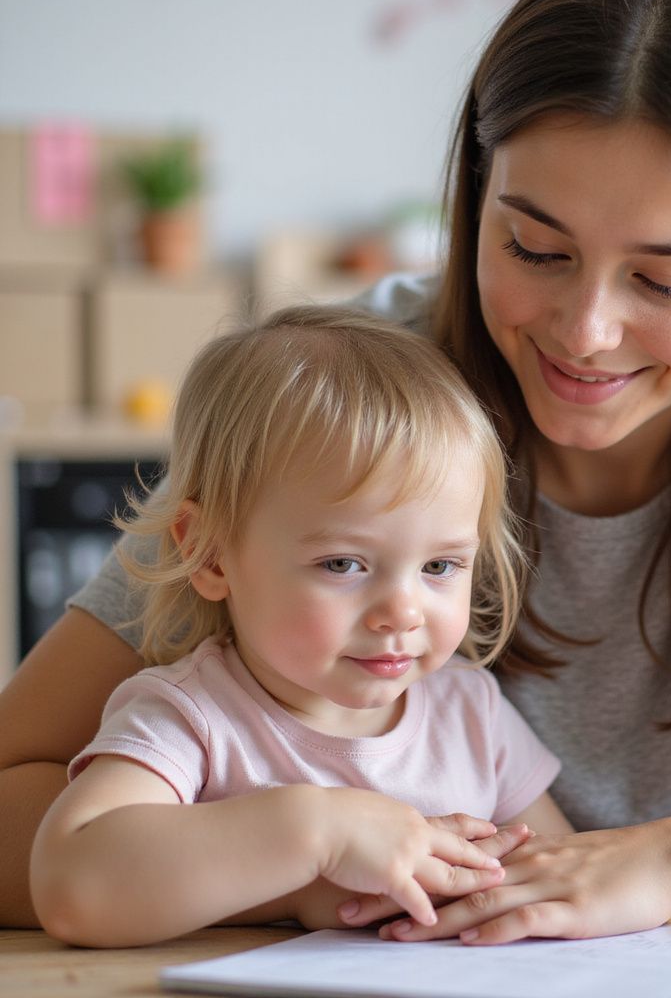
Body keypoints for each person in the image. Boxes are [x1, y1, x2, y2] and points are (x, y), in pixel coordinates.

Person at [4, 0, 671, 944]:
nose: (584, 332)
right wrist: (304, 876)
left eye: (665, 281)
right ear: (476, 193)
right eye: (535, 249)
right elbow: (22, 785)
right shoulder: (355, 394)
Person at [28, 306, 570, 948]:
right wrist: (314, 834)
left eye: (440, 565)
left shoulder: (473, 715)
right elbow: (70, 885)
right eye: (343, 563)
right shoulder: (192, 720)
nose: (403, 611)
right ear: (209, 554)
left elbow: (562, 877)